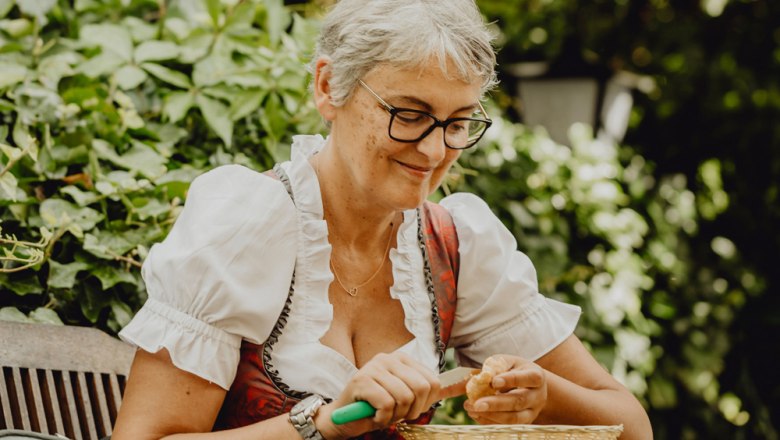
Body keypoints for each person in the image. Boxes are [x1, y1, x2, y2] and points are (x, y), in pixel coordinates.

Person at [112, 0, 653, 439]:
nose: (435, 148)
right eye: (409, 114)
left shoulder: (456, 246)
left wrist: (543, 395)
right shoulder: (245, 224)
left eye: (458, 122)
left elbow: (628, 427)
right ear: (328, 88)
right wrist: (323, 423)